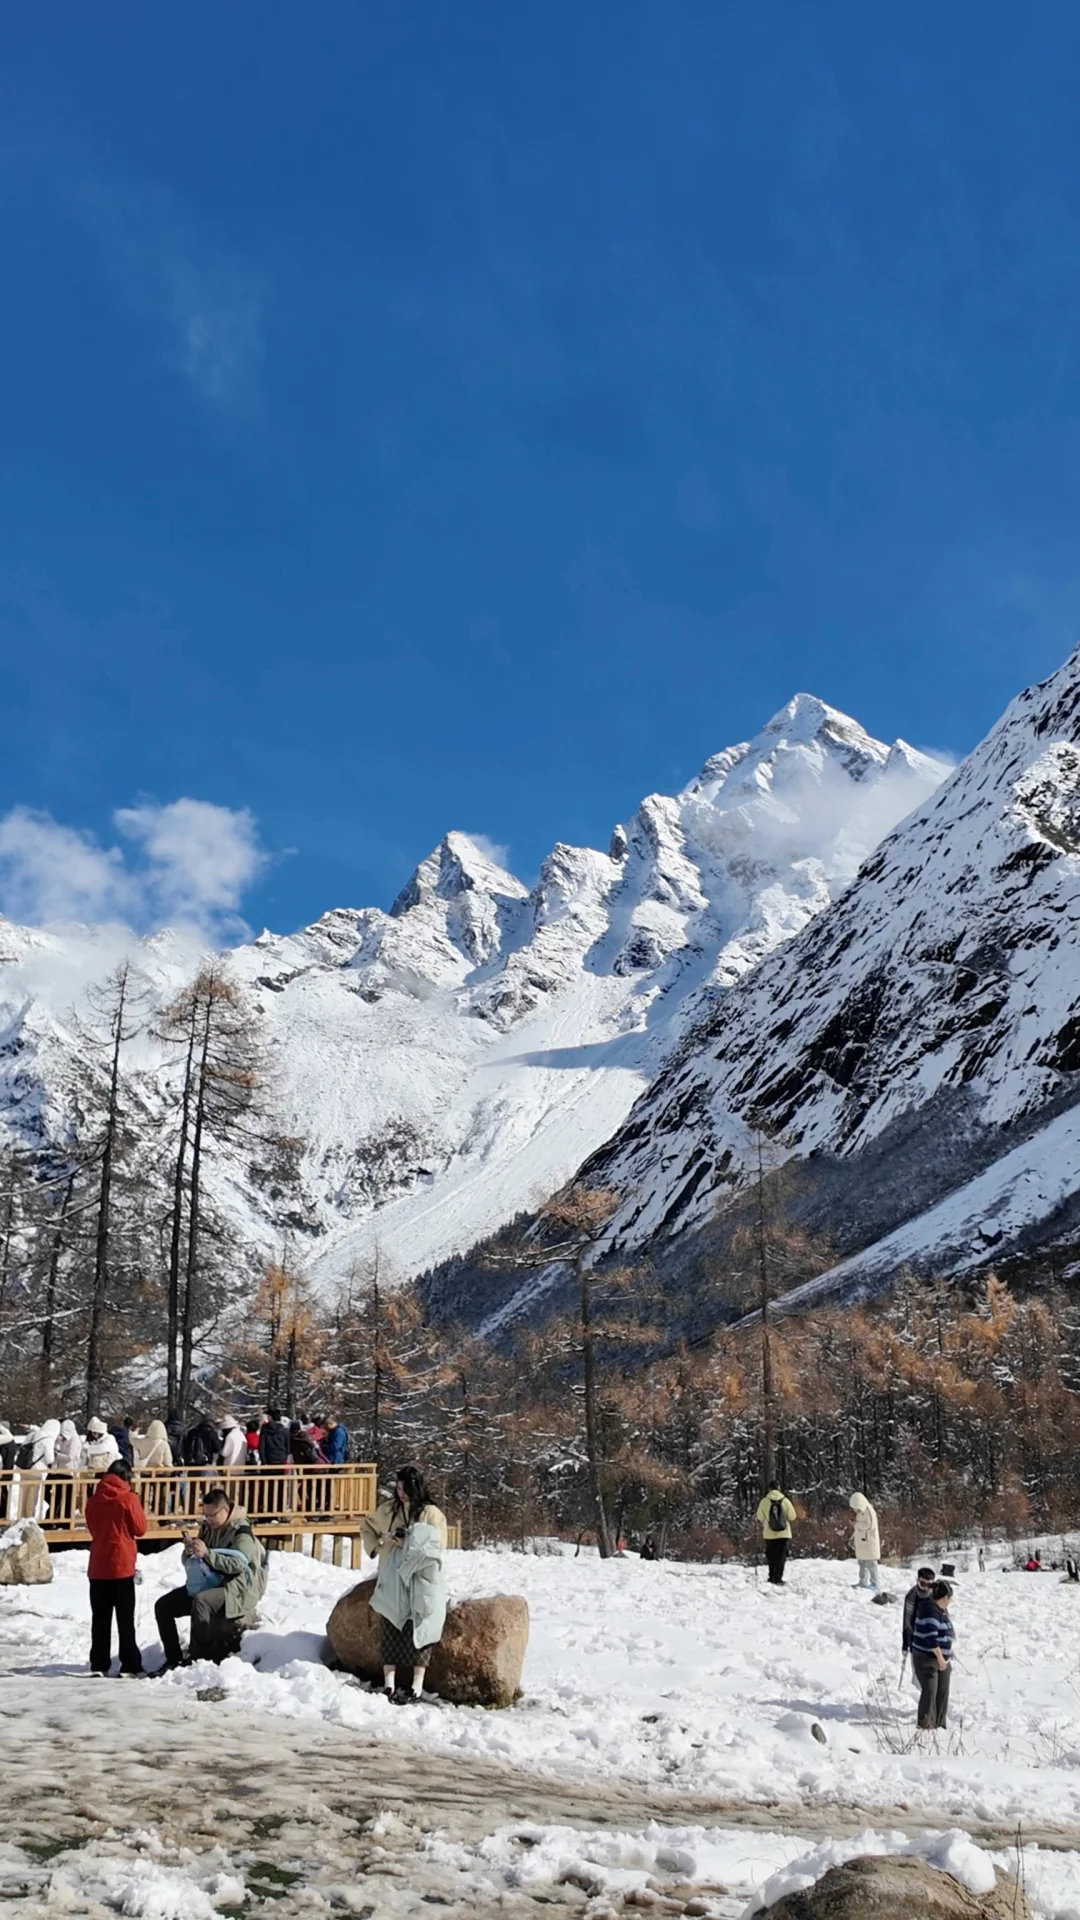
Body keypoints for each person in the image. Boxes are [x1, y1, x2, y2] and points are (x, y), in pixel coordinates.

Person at [154, 1486, 267, 1669]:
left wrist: (208, 1554)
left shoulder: (242, 1531)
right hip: (208, 1582)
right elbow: (202, 1555)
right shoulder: (207, 1528)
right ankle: (173, 1658)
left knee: (201, 1602)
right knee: (163, 1606)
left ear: (225, 1510)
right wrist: (191, 1550)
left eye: (213, 1515)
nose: (209, 1519)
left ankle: (198, 1658)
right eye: (206, 1515)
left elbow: (238, 1565)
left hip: (236, 1588)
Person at [362, 1466, 449, 1701]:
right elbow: (367, 1526)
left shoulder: (431, 1513)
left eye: (406, 1488)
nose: (401, 1493)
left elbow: (437, 1545)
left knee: (421, 1626)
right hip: (392, 1575)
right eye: (398, 1488)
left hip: (420, 1577)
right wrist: (378, 1547)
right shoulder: (389, 1510)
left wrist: (409, 1542)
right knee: (390, 1624)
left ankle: (416, 1684)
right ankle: (389, 1683)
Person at [84, 1457, 148, 1677]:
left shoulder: (93, 1500)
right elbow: (140, 1529)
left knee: (100, 1619)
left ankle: (99, 1665)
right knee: (125, 1620)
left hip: (98, 1565)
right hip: (121, 1565)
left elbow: (93, 1528)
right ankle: (130, 1664)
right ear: (126, 1477)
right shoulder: (128, 1499)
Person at [911, 1578, 954, 1730]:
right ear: (944, 1597)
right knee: (930, 1690)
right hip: (927, 1659)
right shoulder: (929, 1609)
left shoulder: (939, 1610)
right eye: (949, 1598)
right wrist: (940, 1658)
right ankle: (926, 1724)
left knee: (942, 1691)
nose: (950, 1602)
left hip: (941, 1659)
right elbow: (930, 1636)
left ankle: (939, 1725)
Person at [755, 1485, 797, 1586]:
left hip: (769, 1534)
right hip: (784, 1533)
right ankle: (778, 1577)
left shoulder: (764, 1501)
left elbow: (759, 1516)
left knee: (771, 1555)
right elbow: (792, 1516)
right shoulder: (785, 1500)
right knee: (781, 1556)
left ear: (769, 1489)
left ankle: (771, 1576)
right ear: (779, 1489)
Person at [849, 1492, 881, 1590]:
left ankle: (874, 1584)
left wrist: (856, 1524)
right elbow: (859, 1527)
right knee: (862, 1563)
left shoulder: (869, 1511)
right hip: (862, 1543)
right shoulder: (860, 1512)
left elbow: (869, 1526)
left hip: (869, 1542)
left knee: (871, 1564)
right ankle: (863, 1581)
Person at [902, 1566, 936, 1654]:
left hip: (934, 1643)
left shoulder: (936, 1597)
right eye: (923, 1584)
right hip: (915, 1641)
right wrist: (905, 1644)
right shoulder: (911, 1597)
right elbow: (906, 1622)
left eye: (929, 1585)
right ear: (918, 1581)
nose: (926, 1588)